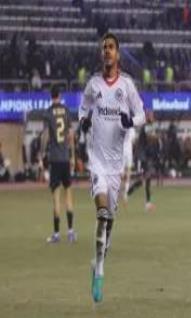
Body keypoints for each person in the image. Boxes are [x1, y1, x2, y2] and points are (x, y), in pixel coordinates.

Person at [79, 32, 145, 303]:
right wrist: (83, 121)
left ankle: (98, 260)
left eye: (111, 47)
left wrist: (131, 121)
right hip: (97, 163)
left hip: (116, 166)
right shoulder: (93, 85)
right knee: (103, 214)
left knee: (109, 225)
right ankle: (100, 273)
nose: (106, 51)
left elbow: (142, 114)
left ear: (117, 54)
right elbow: (82, 109)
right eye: (103, 47)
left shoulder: (127, 85)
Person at [43, 85, 77, 244]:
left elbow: (45, 135)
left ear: (51, 96)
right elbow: (71, 135)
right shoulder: (66, 110)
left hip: (55, 159)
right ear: (60, 96)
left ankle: (56, 234)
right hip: (65, 158)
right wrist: (72, 156)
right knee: (68, 196)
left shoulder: (48, 112)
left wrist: (41, 154)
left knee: (56, 199)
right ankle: (70, 232)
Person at [127, 111, 159, 211]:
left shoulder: (149, 127)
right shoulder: (146, 127)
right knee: (146, 178)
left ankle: (129, 193)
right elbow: (151, 137)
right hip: (142, 156)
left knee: (144, 179)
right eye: (150, 116)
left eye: (152, 115)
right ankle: (146, 202)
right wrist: (157, 136)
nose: (152, 117)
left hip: (145, 156)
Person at [120, 126, 136, 206]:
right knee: (128, 171)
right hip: (128, 151)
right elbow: (133, 141)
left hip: (122, 151)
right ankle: (125, 192)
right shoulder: (131, 128)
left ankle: (123, 190)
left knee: (122, 172)